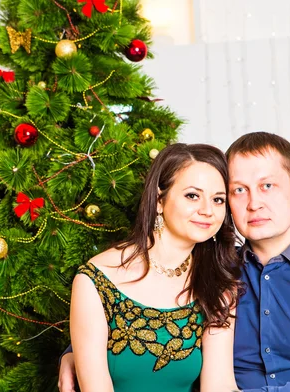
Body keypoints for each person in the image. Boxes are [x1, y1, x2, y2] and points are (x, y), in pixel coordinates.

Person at [61, 132, 290, 392]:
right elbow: (124, 308)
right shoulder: (218, 272)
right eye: (238, 191)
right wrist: (75, 350)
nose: (254, 203)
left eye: (267, 186)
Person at [69, 143, 242, 392]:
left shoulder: (218, 282)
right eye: (192, 195)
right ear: (160, 200)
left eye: (218, 200)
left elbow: (220, 386)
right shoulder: (95, 280)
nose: (207, 210)